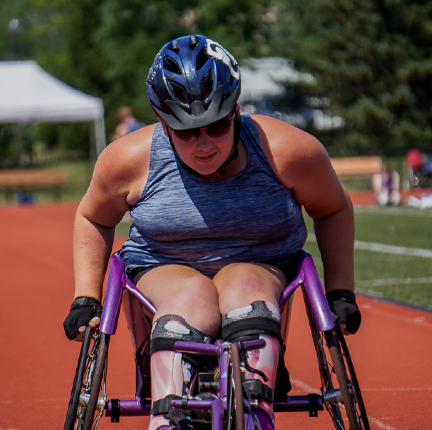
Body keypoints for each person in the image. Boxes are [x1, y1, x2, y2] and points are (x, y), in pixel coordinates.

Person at [63, 35, 361, 430]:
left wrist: (340, 290)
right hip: (166, 268)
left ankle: (255, 406)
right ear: (163, 124)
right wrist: (86, 296)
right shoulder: (128, 161)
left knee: (246, 286)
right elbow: (93, 217)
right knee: (191, 297)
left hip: (262, 265)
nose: (203, 144)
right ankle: (172, 412)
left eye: (217, 126)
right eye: (186, 133)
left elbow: (333, 207)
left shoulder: (288, 151)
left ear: (236, 112)